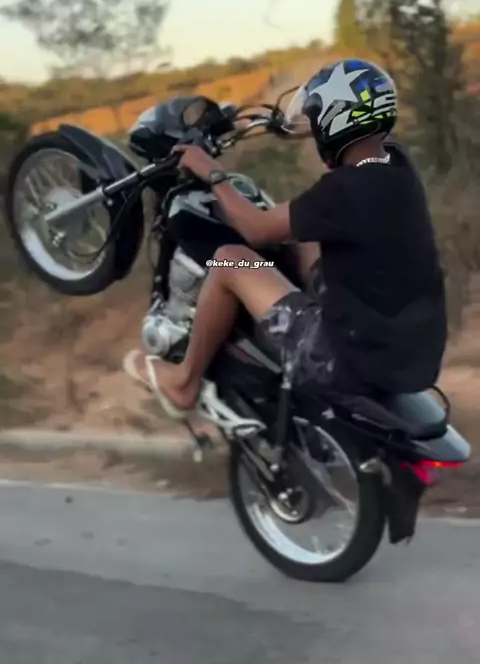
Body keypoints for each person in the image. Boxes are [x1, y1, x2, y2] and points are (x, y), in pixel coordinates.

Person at [124, 58, 447, 419]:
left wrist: (213, 173)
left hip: (345, 361)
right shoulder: (395, 164)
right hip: (414, 353)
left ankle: (184, 381)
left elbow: (256, 229)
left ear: (333, 122)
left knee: (230, 259)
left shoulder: (342, 191)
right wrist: (271, 124)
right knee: (304, 235)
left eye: (316, 113)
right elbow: (328, 134)